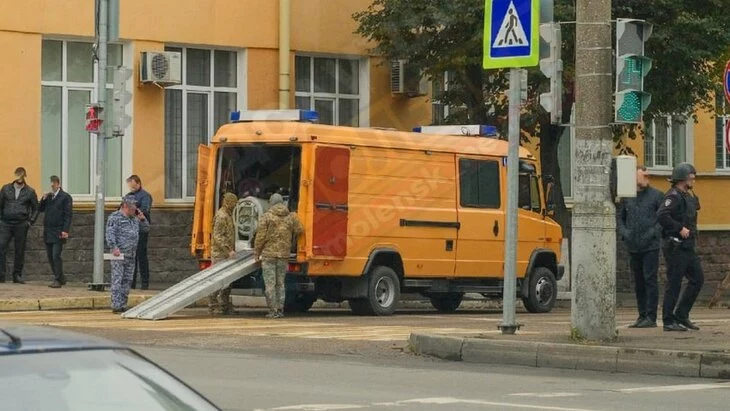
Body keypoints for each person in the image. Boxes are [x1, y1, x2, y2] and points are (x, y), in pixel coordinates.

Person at [657, 162, 704, 332]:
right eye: (691, 177)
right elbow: (662, 215)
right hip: (675, 246)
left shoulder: (687, 195)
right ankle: (668, 320)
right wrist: (679, 228)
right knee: (674, 283)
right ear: (683, 179)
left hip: (687, 246)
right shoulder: (673, 196)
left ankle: (682, 315)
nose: (694, 180)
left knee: (697, 279)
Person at [617, 166, 664, 328]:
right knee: (638, 282)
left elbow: (662, 219)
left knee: (650, 280)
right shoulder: (627, 197)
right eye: (643, 175)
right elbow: (620, 217)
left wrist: (653, 233)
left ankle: (651, 316)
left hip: (650, 245)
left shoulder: (657, 195)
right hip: (633, 245)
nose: (647, 178)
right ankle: (642, 314)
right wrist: (625, 233)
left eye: (647, 175)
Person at [254, 193, 303, 319]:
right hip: (283, 255)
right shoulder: (291, 217)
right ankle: (280, 309)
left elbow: (260, 237)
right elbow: (300, 230)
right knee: (280, 283)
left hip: (269, 255)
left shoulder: (266, 217)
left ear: (271, 202)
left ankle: (273, 310)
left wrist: (257, 253)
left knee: (270, 284)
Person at [106, 195, 149, 313]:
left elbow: (146, 229)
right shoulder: (115, 217)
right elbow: (110, 233)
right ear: (125, 206)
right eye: (133, 206)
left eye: (135, 206)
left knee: (127, 279)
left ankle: (123, 304)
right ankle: (116, 304)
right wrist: (114, 247)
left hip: (131, 254)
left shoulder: (134, 218)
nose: (135, 209)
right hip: (119, 254)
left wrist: (142, 219)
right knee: (117, 279)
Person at [0, 167, 39, 284]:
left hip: (21, 224)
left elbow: (36, 208)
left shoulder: (30, 191)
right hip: (5, 223)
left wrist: (30, 221)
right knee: (1, 247)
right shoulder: (5, 189)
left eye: (21, 175)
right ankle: (1, 275)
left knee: (19, 249)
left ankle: (17, 275)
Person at [38, 176, 73, 288]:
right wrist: (43, 199)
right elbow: (40, 209)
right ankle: (61, 277)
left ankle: (57, 279)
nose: (52, 187)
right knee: (50, 256)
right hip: (48, 230)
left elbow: (68, 215)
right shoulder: (49, 197)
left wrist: (65, 230)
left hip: (58, 230)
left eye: (53, 184)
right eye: (50, 185)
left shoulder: (65, 197)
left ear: (58, 184)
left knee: (55, 255)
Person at [208, 192, 238, 315]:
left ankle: (224, 305)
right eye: (234, 203)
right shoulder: (221, 216)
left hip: (226, 254)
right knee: (217, 280)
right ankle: (213, 305)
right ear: (228, 202)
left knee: (227, 281)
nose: (235, 205)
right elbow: (218, 236)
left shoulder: (228, 215)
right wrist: (228, 250)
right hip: (220, 254)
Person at [126, 175, 153, 290]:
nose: (131, 189)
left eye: (133, 186)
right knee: (131, 256)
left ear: (138, 183)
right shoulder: (128, 196)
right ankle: (131, 283)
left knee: (141, 255)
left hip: (141, 229)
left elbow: (145, 210)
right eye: (130, 187)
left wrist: (133, 210)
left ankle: (144, 283)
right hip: (130, 229)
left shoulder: (145, 196)